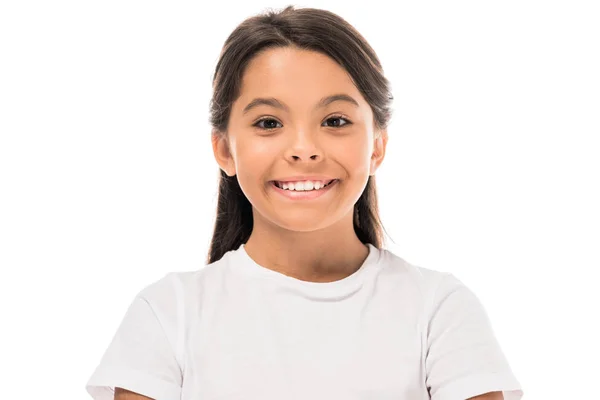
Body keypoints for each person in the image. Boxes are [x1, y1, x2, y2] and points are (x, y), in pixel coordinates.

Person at [85, 5, 524, 400]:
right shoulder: (168, 314)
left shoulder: (439, 309)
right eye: (268, 122)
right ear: (224, 149)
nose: (303, 149)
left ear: (376, 146)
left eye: (335, 120)